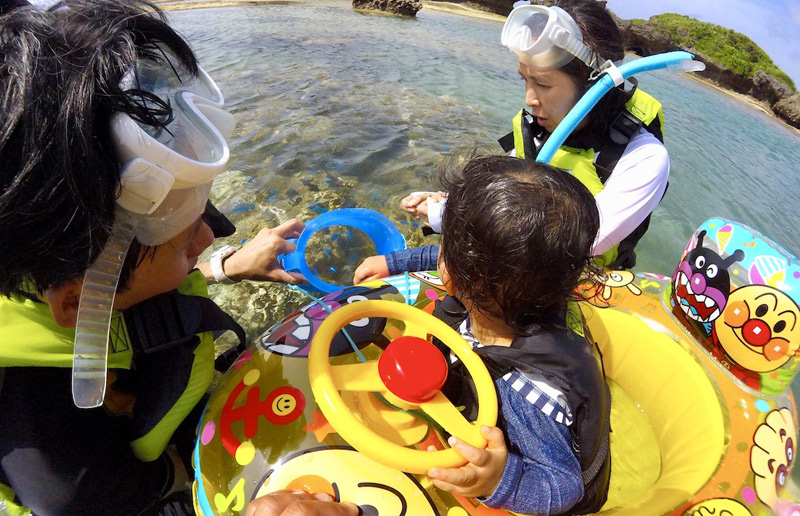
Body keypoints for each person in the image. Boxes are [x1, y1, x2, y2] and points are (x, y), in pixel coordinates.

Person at [0, 2, 352, 515]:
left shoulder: (67, 266)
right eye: (187, 242)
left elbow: (143, 297)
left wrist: (226, 267)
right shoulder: (57, 466)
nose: (208, 235)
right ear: (80, 306)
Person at [375, 155, 611, 515]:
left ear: (452, 276)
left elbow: (565, 487)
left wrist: (500, 479)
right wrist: (394, 263)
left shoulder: (529, 395)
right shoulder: (531, 286)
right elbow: (458, 256)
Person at [399, 0, 670, 270]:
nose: (529, 99)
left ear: (597, 84)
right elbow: (506, 199)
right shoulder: (539, 132)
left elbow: (569, 245)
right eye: (525, 79)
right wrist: (451, 201)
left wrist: (444, 216)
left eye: (542, 83)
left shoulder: (643, 159)